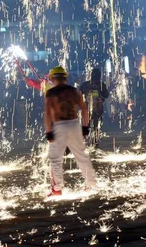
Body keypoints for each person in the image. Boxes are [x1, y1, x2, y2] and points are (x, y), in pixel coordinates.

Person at [45, 66, 96, 196]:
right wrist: (85, 127)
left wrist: (49, 131)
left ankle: (57, 189)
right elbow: (84, 109)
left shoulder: (51, 93)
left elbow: (47, 114)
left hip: (59, 126)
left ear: (52, 78)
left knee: (56, 158)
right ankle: (91, 184)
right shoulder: (73, 91)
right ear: (65, 77)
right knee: (81, 156)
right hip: (74, 125)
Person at [79, 68, 110, 147]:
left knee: (88, 125)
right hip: (95, 109)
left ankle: (87, 141)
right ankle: (94, 142)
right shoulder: (100, 84)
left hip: (90, 109)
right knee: (95, 125)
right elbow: (106, 95)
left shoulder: (86, 84)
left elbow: (79, 93)